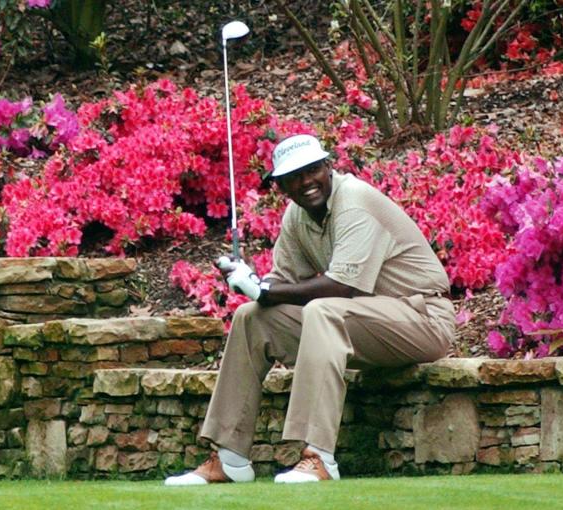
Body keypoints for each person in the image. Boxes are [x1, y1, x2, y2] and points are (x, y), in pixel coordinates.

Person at [165, 134, 455, 485]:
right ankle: (230, 458)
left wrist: (267, 291)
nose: (306, 182)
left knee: (323, 310)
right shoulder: (297, 216)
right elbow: (278, 286)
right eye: (293, 177)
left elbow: (342, 287)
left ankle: (319, 456)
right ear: (281, 185)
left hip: (423, 319)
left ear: (329, 167)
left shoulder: (355, 201)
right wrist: (249, 284)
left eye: (312, 170)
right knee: (253, 318)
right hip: (362, 325)